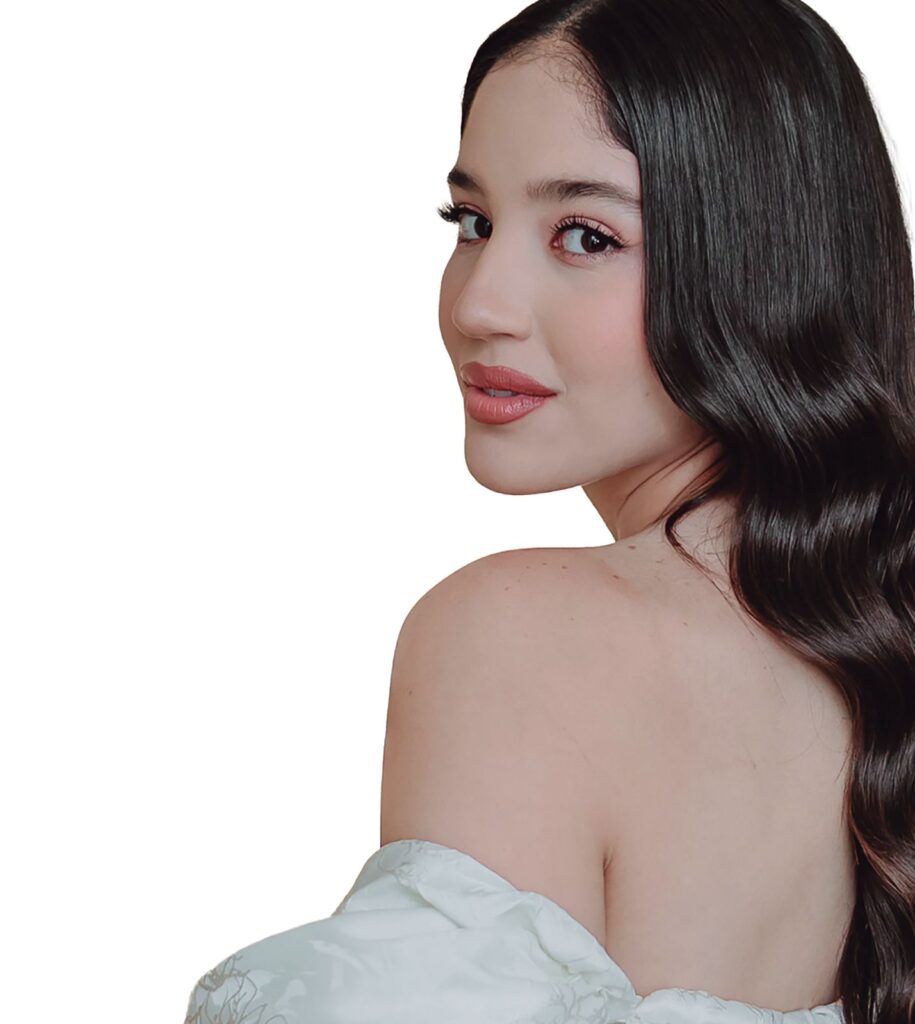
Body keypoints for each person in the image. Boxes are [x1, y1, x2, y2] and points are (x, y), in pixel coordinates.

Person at [183, 0, 915, 1020]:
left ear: (767, 265)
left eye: (584, 235)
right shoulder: (871, 648)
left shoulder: (519, 632)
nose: (478, 303)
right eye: (472, 223)